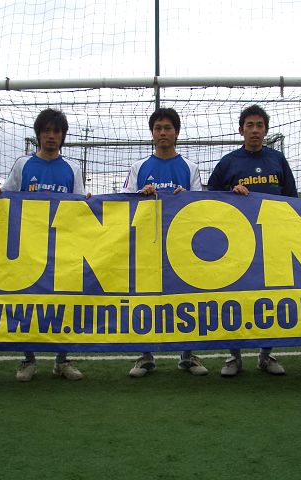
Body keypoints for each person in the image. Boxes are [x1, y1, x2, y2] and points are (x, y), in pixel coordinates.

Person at [0, 108, 89, 382]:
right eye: (46, 131)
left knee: (64, 302)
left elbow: (81, 206)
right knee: (27, 302)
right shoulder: (23, 165)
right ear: (38, 134)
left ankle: (62, 361)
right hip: (28, 247)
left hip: (63, 247)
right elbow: (6, 196)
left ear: (63, 136)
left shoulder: (72, 168)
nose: (51, 136)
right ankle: (28, 359)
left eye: (56, 131)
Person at [207, 104, 297, 377]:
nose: (255, 130)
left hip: (272, 240)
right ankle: (233, 356)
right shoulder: (229, 162)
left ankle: (266, 355)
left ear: (266, 130)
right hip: (237, 243)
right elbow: (210, 196)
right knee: (235, 298)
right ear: (241, 130)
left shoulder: (277, 160)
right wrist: (231, 192)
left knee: (270, 298)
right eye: (250, 125)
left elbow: (292, 198)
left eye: (259, 125)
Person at [122, 107, 208, 378]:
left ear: (176, 133)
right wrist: (141, 194)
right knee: (145, 299)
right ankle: (145, 356)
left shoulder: (190, 168)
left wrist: (185, 198)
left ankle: (188, 355)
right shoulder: (138, 167)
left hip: (182, 246)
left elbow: (201, 207)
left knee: (186, 297)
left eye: (167, 128)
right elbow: (124, 203)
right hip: (147, 244)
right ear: (152, 133)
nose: (162, 133)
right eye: (158, 128)